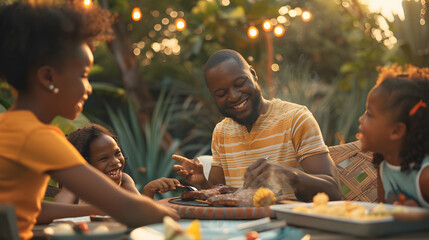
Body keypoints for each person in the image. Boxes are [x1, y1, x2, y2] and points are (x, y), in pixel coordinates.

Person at [0, 2, 178, 240]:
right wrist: (176, 215)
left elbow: (31, 208)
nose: (88, 88)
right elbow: (130, 208)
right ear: (48, 77)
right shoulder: (36, 136)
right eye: (83, 75)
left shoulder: (11, 126)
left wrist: (95, 209)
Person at [173, 49, 341, 202]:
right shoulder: (221, 132)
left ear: (253, 74)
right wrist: (202, 181)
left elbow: (332, 191)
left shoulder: (296, 119)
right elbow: (219, 193)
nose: (233, 96)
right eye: (221, 93)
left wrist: (285, 174)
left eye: (239, 84)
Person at [358, 64, 429, 207]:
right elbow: (384, 214)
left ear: (396, 131)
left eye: (369, 114)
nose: (361, 119)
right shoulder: (384, 168)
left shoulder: (425, 176)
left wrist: (420, 217)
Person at [54, 124, 181, 202]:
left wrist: (149, 190)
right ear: (86, 165)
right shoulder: (77, 185)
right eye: (103, 158)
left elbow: (139, 210)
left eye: (117, 153)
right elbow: (59, 211)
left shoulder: (124, 181)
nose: (115, 162)